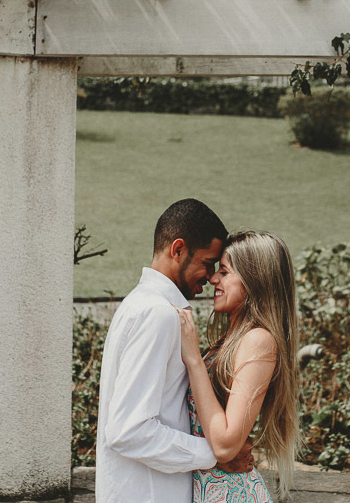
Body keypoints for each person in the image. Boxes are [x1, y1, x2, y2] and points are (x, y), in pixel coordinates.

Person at [96, 199, 253, 503]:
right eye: (208, 263)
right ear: (178, 250)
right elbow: (128, 430)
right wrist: (215, 454)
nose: (211, 278)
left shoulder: (140, 304)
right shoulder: (158, 314)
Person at [176, 230, 299, 503]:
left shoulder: (259, 340)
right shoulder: (232, 339)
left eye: (224, 271)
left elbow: (225, 445)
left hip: (229, 493)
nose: (212, 278)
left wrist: (194, 358)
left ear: (254, 280)